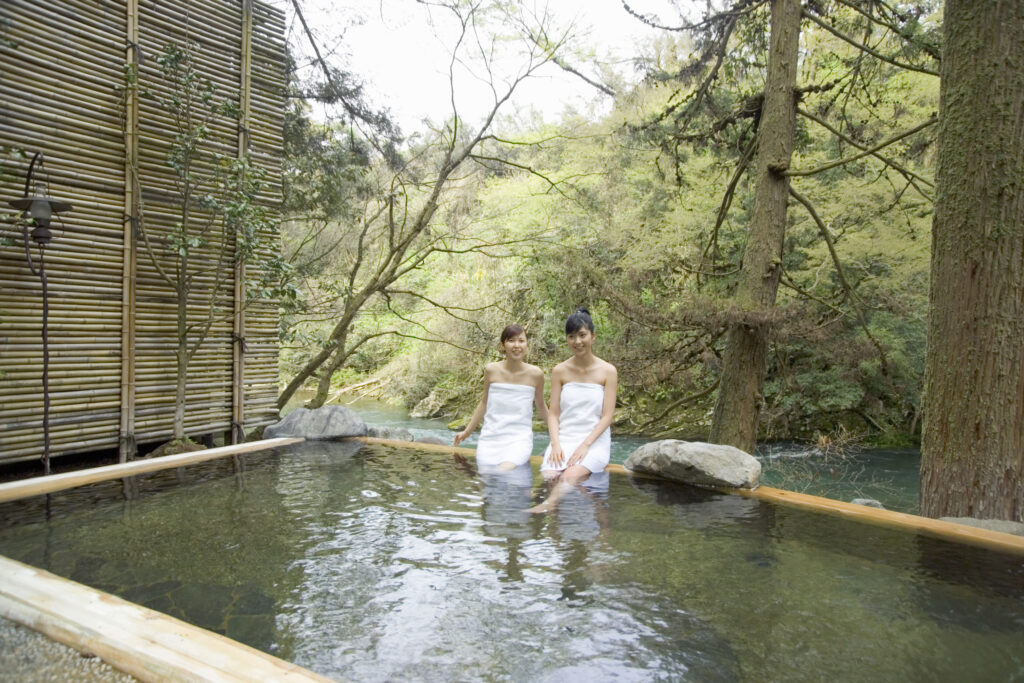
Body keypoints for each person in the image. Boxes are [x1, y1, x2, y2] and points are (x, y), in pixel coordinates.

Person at [529, 308, 617, 513]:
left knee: (569, 476)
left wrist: (586, 445)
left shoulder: (608, 371)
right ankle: (566, 516)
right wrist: (556, 443)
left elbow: (608, 415)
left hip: (594, 440)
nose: (577, 341)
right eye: (571, 336)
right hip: (566, 437)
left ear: (593, 337)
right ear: (567, 339)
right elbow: (553, 414)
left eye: (582, 335)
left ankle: (549, 505)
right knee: (551, 475)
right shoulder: (560, 371)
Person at [453, 324, 548, 469]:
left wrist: (557, 437)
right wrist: (467, 432)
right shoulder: (491, 370)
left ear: (527, 344)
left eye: (521, 341)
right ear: (503, 345)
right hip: (490, 438)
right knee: (487, 478)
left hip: (518, 440)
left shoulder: (535, 374)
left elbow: (541, 406)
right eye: (511, 341)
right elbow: (484, 403)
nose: (516, 345)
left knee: (502, 472)